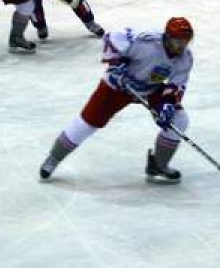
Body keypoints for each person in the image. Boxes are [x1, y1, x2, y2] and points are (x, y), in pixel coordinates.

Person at [39, 17, 195, 183]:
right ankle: (53, 158)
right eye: (178, 41)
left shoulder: (185, 58)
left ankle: (159, 165)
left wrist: (167, 104)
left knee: (179, 120)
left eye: (185, 41)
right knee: (87, 123)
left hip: (151, 88)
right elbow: (112, 38)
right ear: (167, 36)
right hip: (117, 86)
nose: (181, 46)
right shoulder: (145, 40)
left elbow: (177, 84)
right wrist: (116, 63)